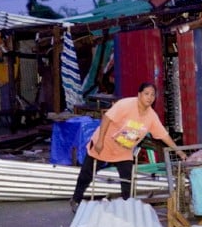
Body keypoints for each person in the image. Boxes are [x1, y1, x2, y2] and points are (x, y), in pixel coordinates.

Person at [70, 82, 185, 211]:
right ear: (139, 95)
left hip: (123, 150)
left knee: (127, 179)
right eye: (146, 94)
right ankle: (76, 199)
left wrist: (179, 152)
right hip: (104, 143)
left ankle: (127, 206)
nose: (150, 97)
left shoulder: (151, 116)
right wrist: (100, 141)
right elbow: (106, 119)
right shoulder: (125, 105)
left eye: (153, 95)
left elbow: (163, 135)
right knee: (86, 173)